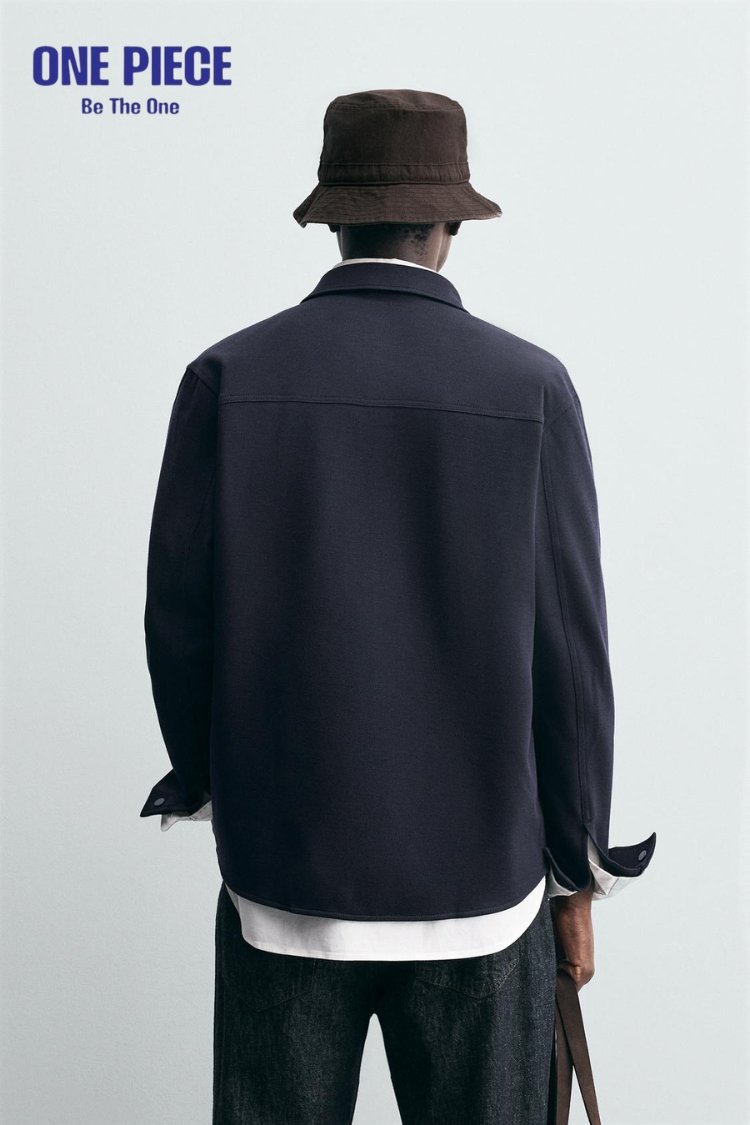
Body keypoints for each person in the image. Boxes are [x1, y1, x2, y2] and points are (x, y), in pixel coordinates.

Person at [140, 89, 656, 1124]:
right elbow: (570, 656)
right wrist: (577, 873)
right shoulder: (532, 388)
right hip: (482, 894)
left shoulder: (228, 376)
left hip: (283, 880)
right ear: (452, 220)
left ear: (331, 217)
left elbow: (179, 623)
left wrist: (210, 781)